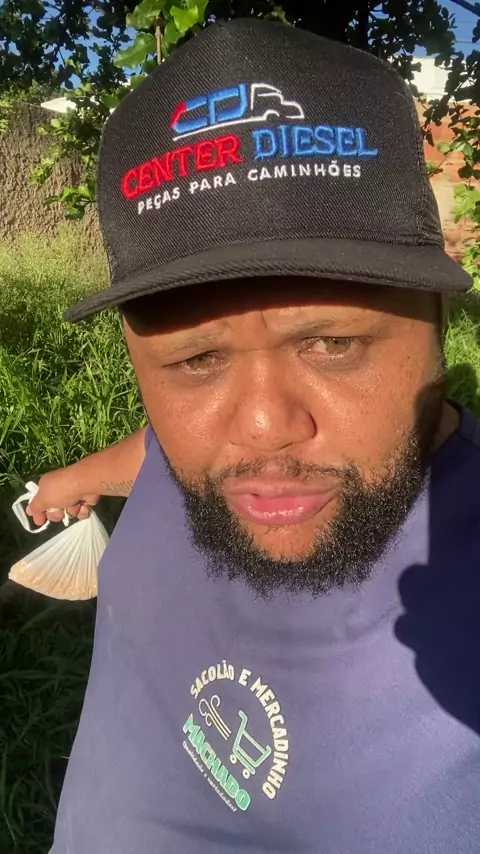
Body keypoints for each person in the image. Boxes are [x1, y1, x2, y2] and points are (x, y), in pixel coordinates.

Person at [28, 18, 480, 854]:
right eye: (197, 360)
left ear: (439, 313)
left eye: (332, 344)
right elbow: (154, 452)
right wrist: (77, 478)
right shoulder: (186, 447)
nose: (262, 429)